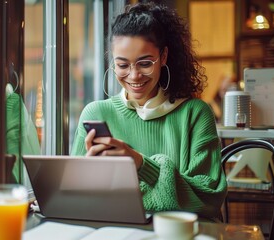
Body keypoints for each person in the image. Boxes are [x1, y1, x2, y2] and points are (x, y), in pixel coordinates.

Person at [71, 2, 227, 222]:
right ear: (112, 61)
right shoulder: (95, 113)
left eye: (145, 63)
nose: (134, 76)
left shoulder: (195, 114)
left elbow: (209, 199)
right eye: (123, 65)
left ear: (163, 57)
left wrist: (140, 164)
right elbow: (74, 195)